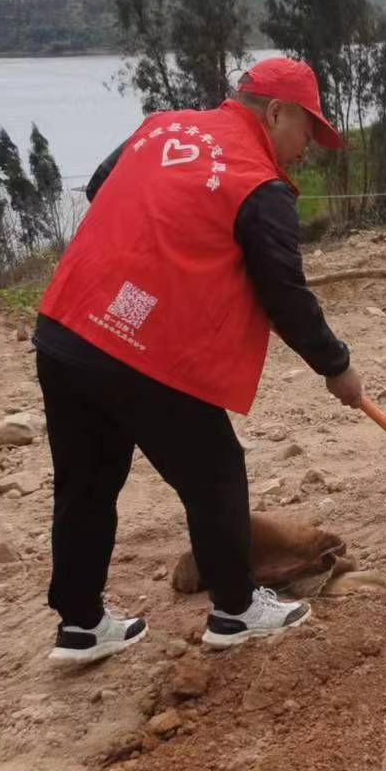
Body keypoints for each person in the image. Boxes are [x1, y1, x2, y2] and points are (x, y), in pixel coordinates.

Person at [34, 57, 362, 662]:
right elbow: (285, 294)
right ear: (276, 111)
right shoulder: (258, 184)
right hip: (142, 345)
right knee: (214, 472)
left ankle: (80, 625)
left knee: (85, 485)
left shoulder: (162, 126)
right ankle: (236, 610)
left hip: (68, 325)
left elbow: (102, 188)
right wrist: (335, 366)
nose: (306, 149)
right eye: (307, 132)